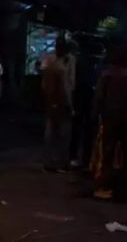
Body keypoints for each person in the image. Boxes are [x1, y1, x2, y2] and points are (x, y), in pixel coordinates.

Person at [92, 46, 127, 200]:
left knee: (107, 154)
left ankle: (104, 187)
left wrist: (95, 116)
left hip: (110, 118)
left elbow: (99, 97)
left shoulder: (107, 74)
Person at [42, 42, 73, 172]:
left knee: (49, 134)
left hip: (50, 103)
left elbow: (43, 86)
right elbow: (65, 90)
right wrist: (70, 105)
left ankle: (48, 162)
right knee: (63, 135)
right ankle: (60, 163)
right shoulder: (62, 69)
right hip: (61, 105)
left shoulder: (50, 67)